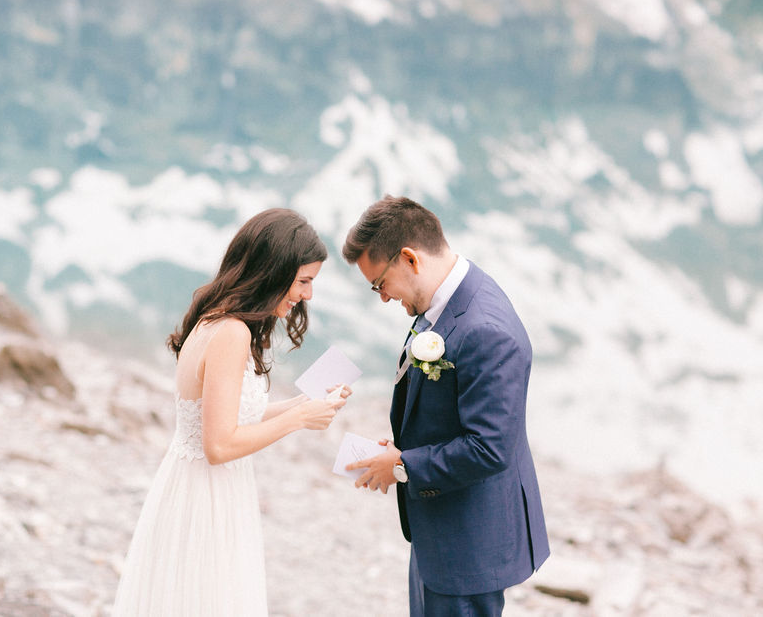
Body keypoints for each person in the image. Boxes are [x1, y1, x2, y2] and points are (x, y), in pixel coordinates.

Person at [112, 208, 350, 617]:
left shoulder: (215, 320)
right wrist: (299, 421)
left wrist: (302, 405)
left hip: (196, 486)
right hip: (206, 494)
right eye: (304, 281)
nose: (307, 295)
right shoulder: (232, 334)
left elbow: (228, 416)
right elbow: (219, 445)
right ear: (274, 271)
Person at [342, 196, 549, 616]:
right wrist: (401, 448)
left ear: (409, 259)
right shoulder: (443, 298)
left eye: (379, 283)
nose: (382, 298)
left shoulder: (487, 331)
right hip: (440, 527)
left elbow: (489, 448)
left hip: (469, 544)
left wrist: (403, 465)